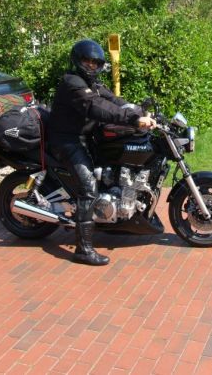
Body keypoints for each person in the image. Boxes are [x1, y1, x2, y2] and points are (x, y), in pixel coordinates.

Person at [48, 39, 156, 266]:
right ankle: (83, 250)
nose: (91, 65)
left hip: (86, 138)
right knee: (88, 189)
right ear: (77, 61)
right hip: (67, 140)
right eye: (87, 61)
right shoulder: (72, 83)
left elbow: (113, 101)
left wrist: (139, 111)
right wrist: (133, 120)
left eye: (95, 63)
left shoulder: (93, 83)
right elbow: (95, 107)